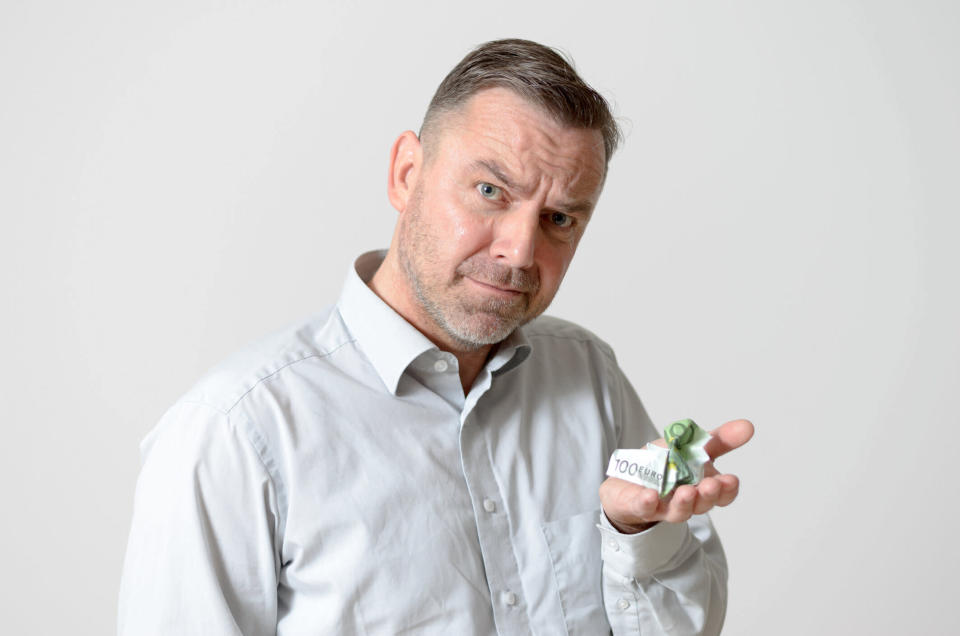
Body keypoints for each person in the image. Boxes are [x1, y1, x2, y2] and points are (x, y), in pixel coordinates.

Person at [118, 38, 753, 635]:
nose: (520, 251)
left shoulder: (587, 374)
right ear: (405, 173)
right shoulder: (233, 433)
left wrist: (635, 533)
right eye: (489, 191)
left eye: (559, 218)